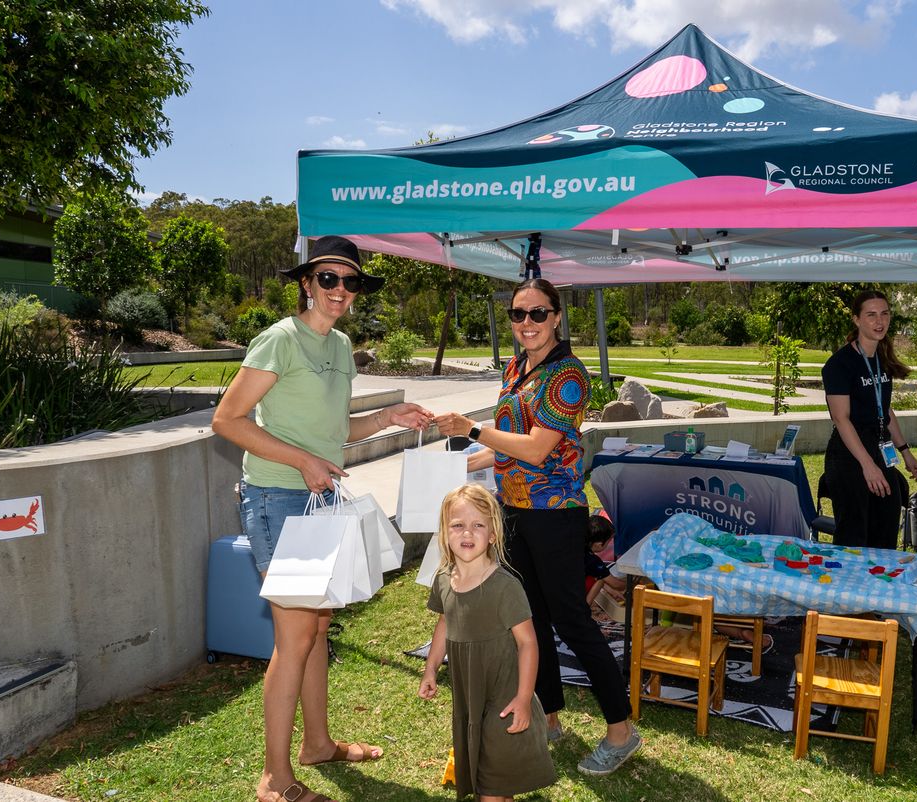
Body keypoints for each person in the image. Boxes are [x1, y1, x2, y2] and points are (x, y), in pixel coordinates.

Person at [212, 235, 434, 802]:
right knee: (294, 638)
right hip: (276, 500)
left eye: (350, 281)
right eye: (328, 279)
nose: (339, 290)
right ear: (306, 283)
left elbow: (333, 435)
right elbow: (228, 420)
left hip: (322, 501)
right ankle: (274, 778)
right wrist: (303, 460)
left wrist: (388, 416)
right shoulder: (278, 341)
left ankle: (317, 744)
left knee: (316, 628)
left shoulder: (339, 345)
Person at [433, 278, 642, 777]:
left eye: (537, 314)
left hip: (554, 516)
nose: (526, 323)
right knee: (528, 620)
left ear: (557, 318)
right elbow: (508, 447)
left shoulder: (568, 374)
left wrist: (470, 429)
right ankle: (548, 718)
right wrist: (453, 468)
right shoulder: (516, 367)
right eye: (517, 314)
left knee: (572, 620)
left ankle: (622, 731)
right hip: (513, 513)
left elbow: (536, 448)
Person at [418, 485, 557, 802]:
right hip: (470, 696)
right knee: (491, 782)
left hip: (503, 698)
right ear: (445, 532)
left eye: (478, 525)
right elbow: (444, 623)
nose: (467, 532)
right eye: (457, 525)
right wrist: (430, 669)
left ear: (493, 534)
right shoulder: (443, 579)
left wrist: (523, 699)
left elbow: (528, 644)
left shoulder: (504, 587)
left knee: (491, 789)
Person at [821, 289, 917, 549]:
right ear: (856, 320)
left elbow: (884, 411)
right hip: (849, 454)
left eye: (885, 314)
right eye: (871, 315)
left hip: (879, 447)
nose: (880, 321)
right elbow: (841, 419)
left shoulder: (881, 359)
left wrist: (905, 451)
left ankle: (880, 586)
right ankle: (850, 587)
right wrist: (867, 465)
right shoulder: (839, 364)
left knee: (886, 525)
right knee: (855, 534)